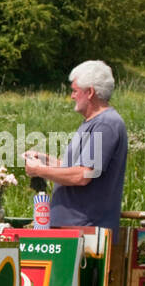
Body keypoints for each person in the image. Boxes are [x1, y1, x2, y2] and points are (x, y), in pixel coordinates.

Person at [22, 59, 128, 236]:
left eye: (75, 91)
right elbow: (75, 167)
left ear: (90, 92)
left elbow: (82, 175)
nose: (72, 96)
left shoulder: (106, 124)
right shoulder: (93, 123)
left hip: (85, 230)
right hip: (72, 228)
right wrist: (46, 160)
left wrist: (40, 170)